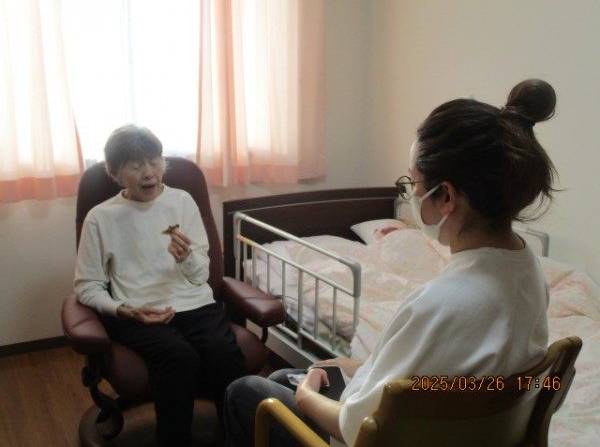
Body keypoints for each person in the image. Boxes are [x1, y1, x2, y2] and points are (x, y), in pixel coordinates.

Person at [223, 78, 557, 446]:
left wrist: (305, 396)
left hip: (378, 436)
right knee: (287, 376)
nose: (411, 195)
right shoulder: (530, 273)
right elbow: (445, 375)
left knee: (247, 391)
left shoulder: (440, 304)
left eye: (413, 184)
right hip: (472, 430)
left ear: (446, 197)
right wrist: (358, 367)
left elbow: (357, 427)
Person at [74, 125, 248, 447]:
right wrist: (125, 310)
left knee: (223, 353)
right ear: (115, 173)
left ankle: (240, 438)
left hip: (195, 303)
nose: (149, 173)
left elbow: (200, 275)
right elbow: (87, 286)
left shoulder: (182, 201)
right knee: (180, 359)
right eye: (135, 165)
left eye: (154, 161)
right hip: (140, 311)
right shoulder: (100, 218)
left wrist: (186, 259)